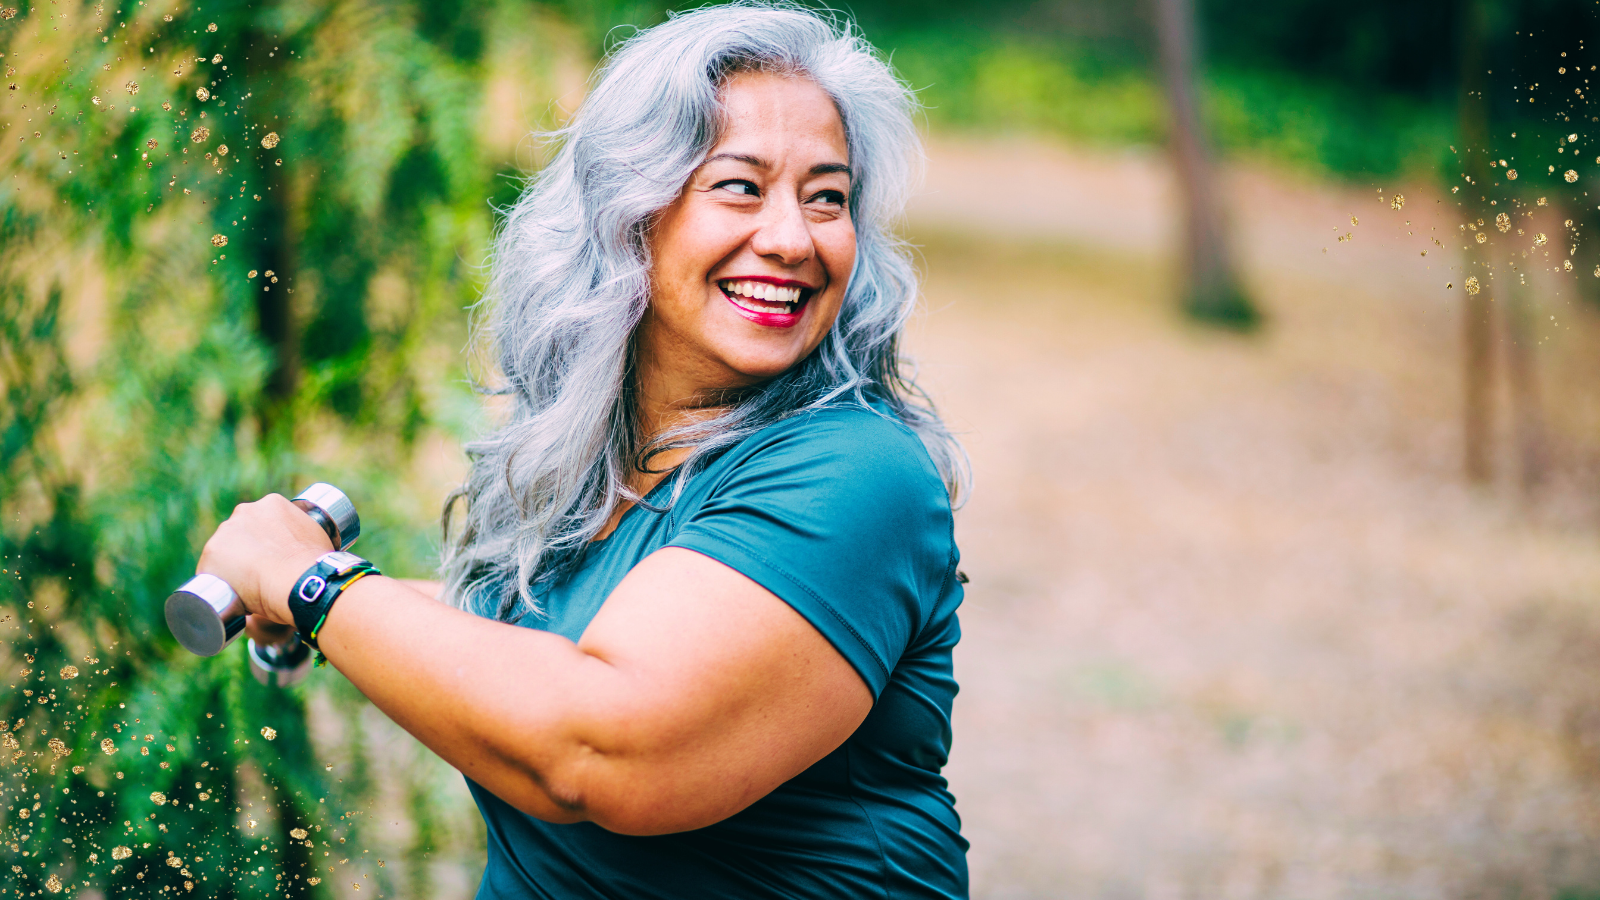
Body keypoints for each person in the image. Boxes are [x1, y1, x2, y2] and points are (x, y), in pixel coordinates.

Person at [199, 3, 970, 897]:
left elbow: (601, 746)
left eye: (827, 196)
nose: (794, 239)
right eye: (740, 186)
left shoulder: (856, 473)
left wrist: (318, 588)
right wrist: (320, 601)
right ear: (627, 211)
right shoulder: (612, 461)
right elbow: (545, 633)